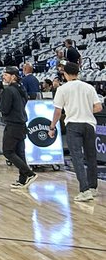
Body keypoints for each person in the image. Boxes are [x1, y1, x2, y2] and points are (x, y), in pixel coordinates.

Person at [50, 61, 102, 203]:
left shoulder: (62, 89)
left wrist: (52, 126)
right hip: (89, 124)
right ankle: (93, 187)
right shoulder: (89, 87)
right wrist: (85, 110)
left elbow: (58, 111)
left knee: (77, 158)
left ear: (65, 74)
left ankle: (84, 190)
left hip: (73, 124)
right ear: (78, 73)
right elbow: (98, 107)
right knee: (91, 157)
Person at [0, 67, 36, 190]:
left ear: (13, 76)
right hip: (21, 123)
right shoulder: (21, 88)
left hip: (13, 124)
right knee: (20, 152)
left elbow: (5, 109)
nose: (3, 77)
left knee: (8, 151)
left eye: (6, 75)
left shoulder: (9, 90)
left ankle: (29, 173)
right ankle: (22, 180)